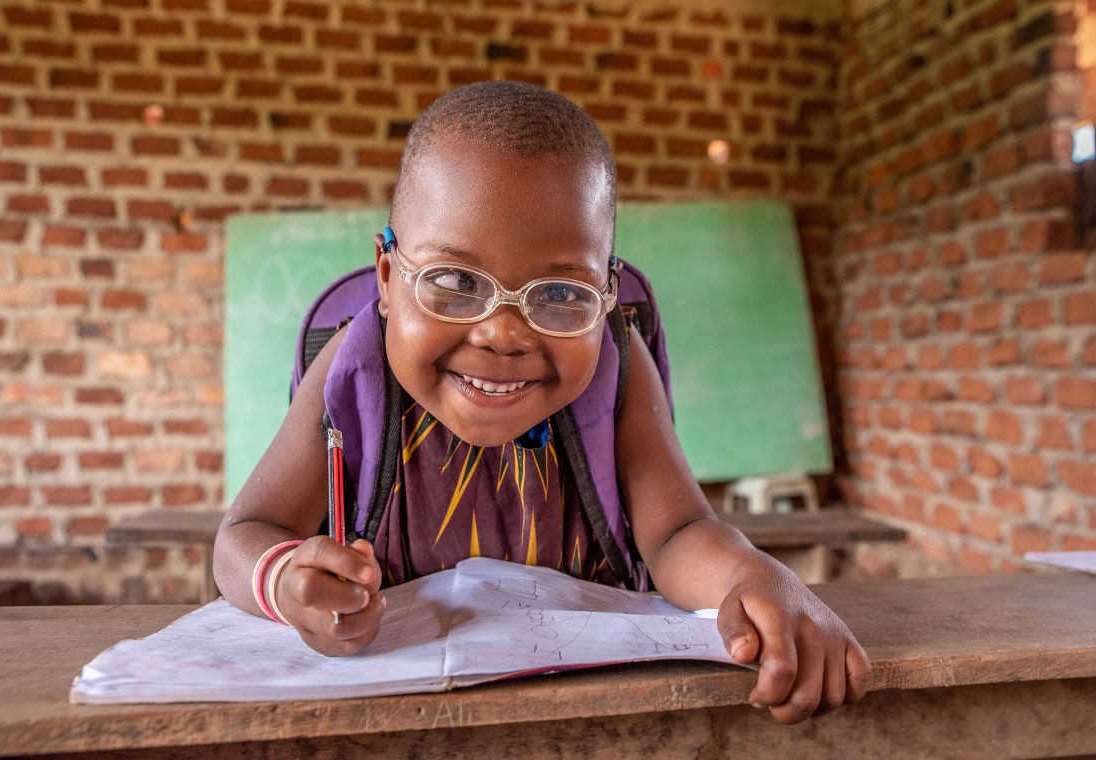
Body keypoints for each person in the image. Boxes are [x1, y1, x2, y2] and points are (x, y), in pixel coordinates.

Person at [213, 80, 871, 724]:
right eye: (453, 280)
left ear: (605, 296)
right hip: (396, 718)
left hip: (598, 719)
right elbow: (243, 534)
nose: (502, 334)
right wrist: (285, 581)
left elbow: (676, 533)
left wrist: (751, 577)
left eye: (560, 294)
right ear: (387, 279)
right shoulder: (353, 368)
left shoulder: (618, 362)